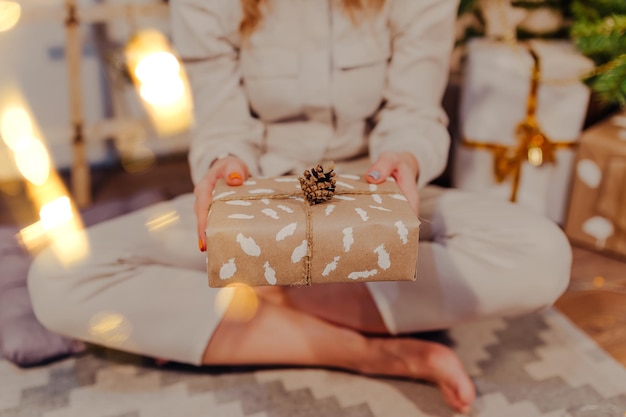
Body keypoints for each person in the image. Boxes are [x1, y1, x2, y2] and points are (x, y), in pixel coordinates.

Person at [27, 0, 573, 413]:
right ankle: (377, 353)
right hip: (256, 198)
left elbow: (415, 109)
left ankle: (254, 298)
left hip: (372, 190)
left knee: (542, 258)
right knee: (58, 279)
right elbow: (221, 121)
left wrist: (402, 159)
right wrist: (225, 165)